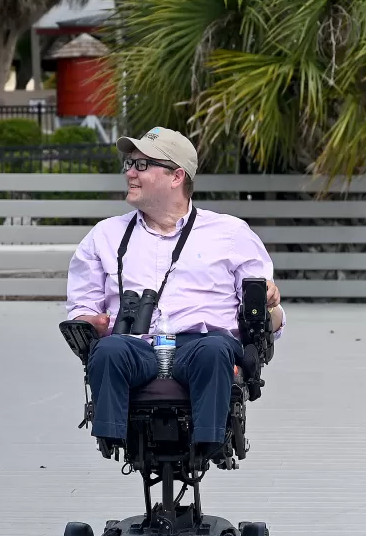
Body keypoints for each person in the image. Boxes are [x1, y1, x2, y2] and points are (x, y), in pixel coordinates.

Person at [66, 127, 284, 461]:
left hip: (201, 344)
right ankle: (111, 437)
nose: (129, 173)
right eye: (128, 163)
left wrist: (272, 304)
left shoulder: (230, 233)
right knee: (108, 349)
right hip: (133, 345)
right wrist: (88, 321)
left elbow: (271, 321)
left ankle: (210, 445)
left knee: (214, 349)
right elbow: (81, 308)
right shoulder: (104, 236)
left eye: (141, 165)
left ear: (176, 176)